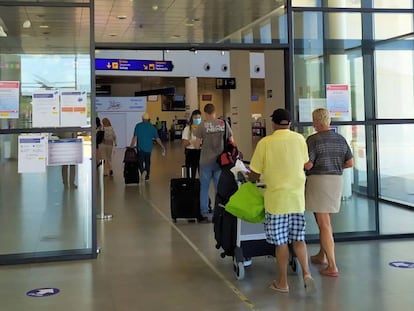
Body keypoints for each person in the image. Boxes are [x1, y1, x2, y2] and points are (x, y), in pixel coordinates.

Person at [247, 108, 316, 294]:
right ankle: (307, 274)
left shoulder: (265, 143)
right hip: (296, 198)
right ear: (290, 123)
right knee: (299, 239)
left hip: (276, 199)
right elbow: (304, 162)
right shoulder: (300, 139)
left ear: (273, 123)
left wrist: (248, 177)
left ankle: (283, 282)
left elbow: (255, 172)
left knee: (281, 243)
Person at [305, 108, 354, 277]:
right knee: (324, 221)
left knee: (324, 223)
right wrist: (336, 166)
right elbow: (350, 162)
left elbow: (308, 164)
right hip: (336, 181)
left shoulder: (313, 139)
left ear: (316, 122)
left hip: (319, 181)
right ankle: (321, 255)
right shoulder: (340, 138)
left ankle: (332, 265)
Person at [194, 103, 233, 222]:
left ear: (205, 113)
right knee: (218, 187)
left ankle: (204, 212)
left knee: (204, 188)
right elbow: (231, 141)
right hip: (220, 162)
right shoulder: (223, 124)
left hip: (205, 161)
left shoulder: (202, 125)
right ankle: (219, 211)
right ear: (215, 111)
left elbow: (196, 145)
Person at [130, 112, 165, 181]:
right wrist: (162, 146)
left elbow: (135, 137)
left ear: (142, 119)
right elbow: (157, 138)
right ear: (149, 119)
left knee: (140, 162)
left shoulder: (138, 126)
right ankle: (147, 176)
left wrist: (131, 146)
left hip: (140, 148)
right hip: (149, 148)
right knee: (147, 162)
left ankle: (143, 171)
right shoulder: (152, 127)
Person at [182, 109, 202, 178]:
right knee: (191, 174)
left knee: (202, 174)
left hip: (201, 152)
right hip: (190, 153)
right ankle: (191, 187)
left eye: (199, 118)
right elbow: (184, 144)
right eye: (195, 118)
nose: (197, 119)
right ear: (192, 119)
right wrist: (191, 140)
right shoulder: (187, 129)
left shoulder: (203, 128)